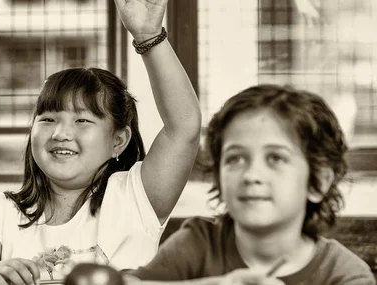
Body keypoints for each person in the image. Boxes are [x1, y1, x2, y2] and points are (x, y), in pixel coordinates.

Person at [0, 0, 202, 284]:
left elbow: (184, 126)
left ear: (118, 141)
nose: (60, 133)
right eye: (48, 119)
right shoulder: (1, 210)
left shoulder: (136, 197)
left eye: (82, 121)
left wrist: (149, 37)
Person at [124, 84, 376, 285]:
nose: (251, 175)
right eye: (235, 158)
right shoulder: (200, 243)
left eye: (276, 158)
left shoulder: (345, 276)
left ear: (318, 182)